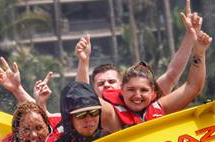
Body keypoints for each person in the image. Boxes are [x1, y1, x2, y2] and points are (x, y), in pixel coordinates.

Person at [75, 0, 203, 99]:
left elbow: (172, 75)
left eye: (112, 81)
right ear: (94, 89)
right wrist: (83, 61)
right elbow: (82, 94)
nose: (107, 85)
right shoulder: (96, 114)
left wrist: (190, 35)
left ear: (122, 86)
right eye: (101, 84)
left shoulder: (147, 99)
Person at [100, 29, 212, 133]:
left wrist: (199, 52)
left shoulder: (162, 107)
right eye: (131, 90)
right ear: (122, 89)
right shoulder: (111, 114)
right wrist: (84, 62)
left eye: (144, 90)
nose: (137, 95)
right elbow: (85, 99)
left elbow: (193, 86)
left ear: (152, 92)